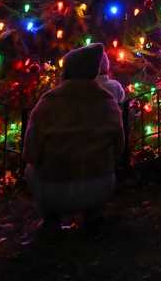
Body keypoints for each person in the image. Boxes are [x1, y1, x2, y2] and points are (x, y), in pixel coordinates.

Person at [23, 42, 123, 234]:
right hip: (99, 183)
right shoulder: (107, 102)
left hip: (53, 187)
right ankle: (94, 214)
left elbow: (30, 150)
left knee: (31, 170)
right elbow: (119, 146)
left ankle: (51, 218)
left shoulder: (48, 102)